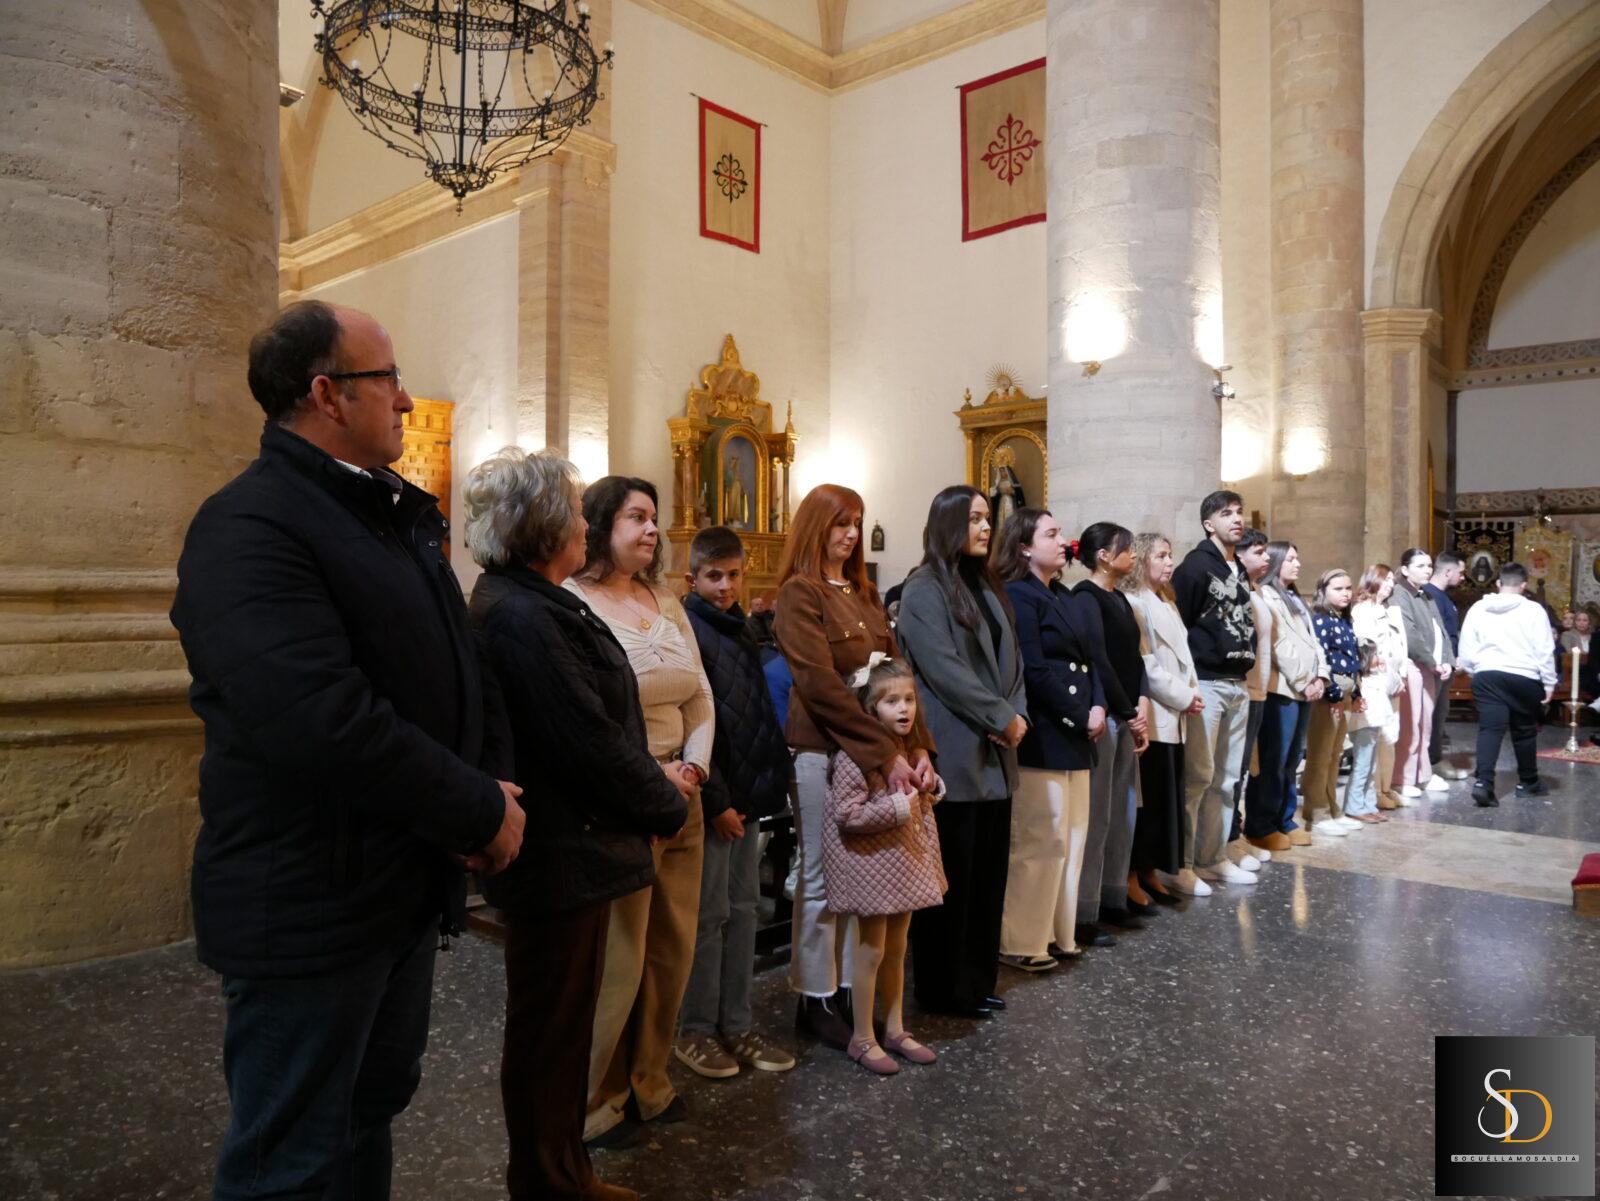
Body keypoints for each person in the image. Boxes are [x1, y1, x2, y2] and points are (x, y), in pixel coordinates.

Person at [171, 301, 526, 1200]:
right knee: (291, 1155)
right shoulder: (249, 525)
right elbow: (321, 719)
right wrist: (475, 808)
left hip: (393, 885)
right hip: (308, 899)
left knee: (369, 1111)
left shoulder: (388, 515)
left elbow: (461, 664)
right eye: (389, 379)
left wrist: (487, 780)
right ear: (327, 394)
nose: (406, 400)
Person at [464, 448, 688, 1201]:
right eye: (574, 510)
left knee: (561, 1028)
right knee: (550, 1031)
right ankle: (548, 1180)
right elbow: (585, 737)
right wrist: (664, 803)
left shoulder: (537, 601)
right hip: (560, 850)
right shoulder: (522, 613)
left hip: (577, 846)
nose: (585, 525)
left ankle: (564, 1172)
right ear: (542, 526)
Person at [564, 477, 714, 1148]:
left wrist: (695, 768)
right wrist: (656, 776)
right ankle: (597, 1099)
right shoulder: (575, 601)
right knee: (619, 961)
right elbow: (589, 717)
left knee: (671, 951)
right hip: (627, 797)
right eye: (637, 516)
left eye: (655, 518)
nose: (653, 529)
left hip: (687, 790)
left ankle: (650, 1081)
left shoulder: (666, 600)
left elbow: (700, 695)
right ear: (600, 524)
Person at [775, 485, 935, 1049]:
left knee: (861, 877)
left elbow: (895, 678)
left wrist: (918, 746)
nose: (849, 534)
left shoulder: (865, 595)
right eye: (839, 523)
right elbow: (819, 685)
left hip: (873, 753)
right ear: (815, 526)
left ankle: (851, 992)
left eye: (857, 524)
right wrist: (885, 753)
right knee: (821, 877)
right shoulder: (800, 593)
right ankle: (816, 998)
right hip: (821, 750)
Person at [897, 485, 1027, 1017]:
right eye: (974, 518)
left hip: (997, 751)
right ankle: (942, 988)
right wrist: (1000, 716)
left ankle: (976, 980)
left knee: (988, 876)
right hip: (954, 747)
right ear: (948, 523)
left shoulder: (986, 584)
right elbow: (943, 668)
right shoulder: (923, 588)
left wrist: (1017, 715)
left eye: (987, 518)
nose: (986, 527)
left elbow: (1014, 662)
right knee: (952, 877)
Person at [673, 527, 797, 1079]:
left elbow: (753, 716)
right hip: (714, 799)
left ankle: (738, 1022)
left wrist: (766, 787)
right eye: (714, 577)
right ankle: (696, 1029)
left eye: (733, 575)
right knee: (710, 916)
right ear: (691, 578)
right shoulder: (689, 630)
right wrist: (717, 800)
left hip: (747, 798)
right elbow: (696, 724)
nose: (725, 586)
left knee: (744, 911)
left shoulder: (742, 626)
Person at [993, 508, 1106, 971]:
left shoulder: (1061, 594)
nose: (1064, 541)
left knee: (1073, 837)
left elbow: (1090, 659)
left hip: (1077, 730)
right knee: (1041, 839)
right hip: (1046, 730)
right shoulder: (1019, 595)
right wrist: (1080, 714)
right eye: (1052, 534)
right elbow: (1034, 669)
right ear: (1024, 546)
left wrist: (1099, 705)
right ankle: (1022, 940)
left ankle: (1061, 932)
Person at [823, 658, 948, 1073]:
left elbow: (916, 801)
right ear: (869, 708)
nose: (904, 709)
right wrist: (898, 806)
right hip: (871, 867)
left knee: (897, 949)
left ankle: (895, 1028)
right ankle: (862, 1037)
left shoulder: (906, 751)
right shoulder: (853, 756)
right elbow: (847, 813)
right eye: (891, 701)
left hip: (903, 864)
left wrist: (930, 786)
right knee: (871, 950)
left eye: (909, 699)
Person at [1171, 492, 1258, 893]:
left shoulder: (1237, 567)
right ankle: (1183, 864)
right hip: (1207, 682)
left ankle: (1213, 857)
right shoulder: (1195, 566)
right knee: (1198, 778)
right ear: (1209, 524)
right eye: (1227, 514)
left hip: (1237, 681)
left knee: (1227, 779)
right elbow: (1180, 623)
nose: (1237, 519)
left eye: (1239, 512)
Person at [1070, 523, 1152, 935]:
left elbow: (1135, 658)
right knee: (1099, 813)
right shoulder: (1085, 598)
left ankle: (1114, 895)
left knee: (1124, 812)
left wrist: (1142, 703)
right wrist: (1127, 709)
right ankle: (1086, 910)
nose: (1134, 555)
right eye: (1126, 548)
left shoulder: (1120, 598)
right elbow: (1097, 659)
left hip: (1127, 713)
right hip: (1109, 715)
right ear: (1103, 555)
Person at [1121, 533, 1201, 903]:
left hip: (1176, 712)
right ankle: (1133, 873)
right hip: (1155, 711)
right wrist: (1185, 696)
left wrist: (1190, 692)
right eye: (1161, 556)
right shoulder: (1135, 602)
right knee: (1148, 800)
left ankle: (1151, 869)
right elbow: (1146, 664)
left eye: (1171, 555)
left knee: (1166, 799)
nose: (1169, 563)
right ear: (1141, 559)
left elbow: (1183, 657)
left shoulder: (1167, 602)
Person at [1244, 541, 1328, 851]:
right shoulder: (1266, 595)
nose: (1298, 564)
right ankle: (1261, 823)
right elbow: (1278, 644)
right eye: (1291, 558)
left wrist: (1321, 675)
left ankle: (1284, 818)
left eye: (1297, 558)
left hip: (1304, 687)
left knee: (1293, 759)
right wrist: (1304, 679)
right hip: (1282, 688)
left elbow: (1313, 642)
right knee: (1274, 759)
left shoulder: (1296, 598)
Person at [1457, 563, 1557, 806]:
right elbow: (1544, 649)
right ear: (1524, 585)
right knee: (1524, 731)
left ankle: (1484, 783)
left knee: (1490, 730)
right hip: (1524, 676)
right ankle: (1528, 783)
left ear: (1498, 583)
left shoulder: (1479, 608)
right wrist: (1549, 682)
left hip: (1488, 674)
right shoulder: (1534, 610)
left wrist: (1474, 670)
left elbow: (1466, 646)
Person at [1302, 570, 1365, 838]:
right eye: (1338, 589)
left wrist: (1357, 692)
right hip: (1331, 694)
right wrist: (1334, 694)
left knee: (1335, 753)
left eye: (1348, 588)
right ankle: (1316, 811)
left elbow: (1352, 659)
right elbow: (1322, 659)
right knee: (1320, 754)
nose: (1346, 593)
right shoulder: (1320, 620)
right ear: (1323, 591)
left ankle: (1332, 807)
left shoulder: (1343, 619)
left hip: (1346, 692)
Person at [1226, 528, 1274, 876]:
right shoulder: (1237, 587)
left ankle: (1235, 834)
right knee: (1231, 770)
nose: (1266, 557)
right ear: (1240, 555)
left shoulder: (1257, 589)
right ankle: (1227, 839)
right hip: (1244, 685)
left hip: (1259, 687)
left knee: (1243, 769)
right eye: (1258, 551)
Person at [1390, 548, 1455, 798]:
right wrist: (1431, 661)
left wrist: (1447, 659)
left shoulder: (1425, 594)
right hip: (1413, 666)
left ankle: (1422, 774)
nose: (1427, 570)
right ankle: (1402, 777)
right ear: (1405, 570)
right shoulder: (1400, 593)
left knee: (1425, 724)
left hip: (1430, 668)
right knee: (1410, 724)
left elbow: (1440, 630)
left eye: (1429, 565)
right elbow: (1410, 633)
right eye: (1420, 566)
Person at [1350, 565, 1410, 812]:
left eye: (1392, 580)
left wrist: (1401, 674)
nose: (1390, 585)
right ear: (1373, 580)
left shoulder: (1388, 610)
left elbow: (1399, 646)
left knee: (1390, 736)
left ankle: (1385, 787)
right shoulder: (1362, 610)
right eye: (1386, 579)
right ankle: (1374, 791)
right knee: (1377, 737)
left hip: (1392, 680)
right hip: (1375, 681)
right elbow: (1367, 647)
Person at [1423, 552, 1469, 780]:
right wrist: (1447, 659)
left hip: (1446, 664)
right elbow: (1434, 634)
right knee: (1431, 714)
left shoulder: (1443, 596)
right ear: (1448, 571)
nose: (1463, 577)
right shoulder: (1429, 595)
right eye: (1461, 572)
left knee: (1440, 713)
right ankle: (1428, 763)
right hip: (1436, 666)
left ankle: (1434, 759)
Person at [1342, 639, 1393, 825]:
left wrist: (1387, 669)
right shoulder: (1359, 679)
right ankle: (1354, 806)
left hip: (1374, 725)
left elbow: (1393, 686)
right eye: (1375, 655)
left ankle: (1369, 805)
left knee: (1371, 767)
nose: (1379, 658)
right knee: (1362, 767)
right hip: (1363, 725)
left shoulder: (1378, 676)